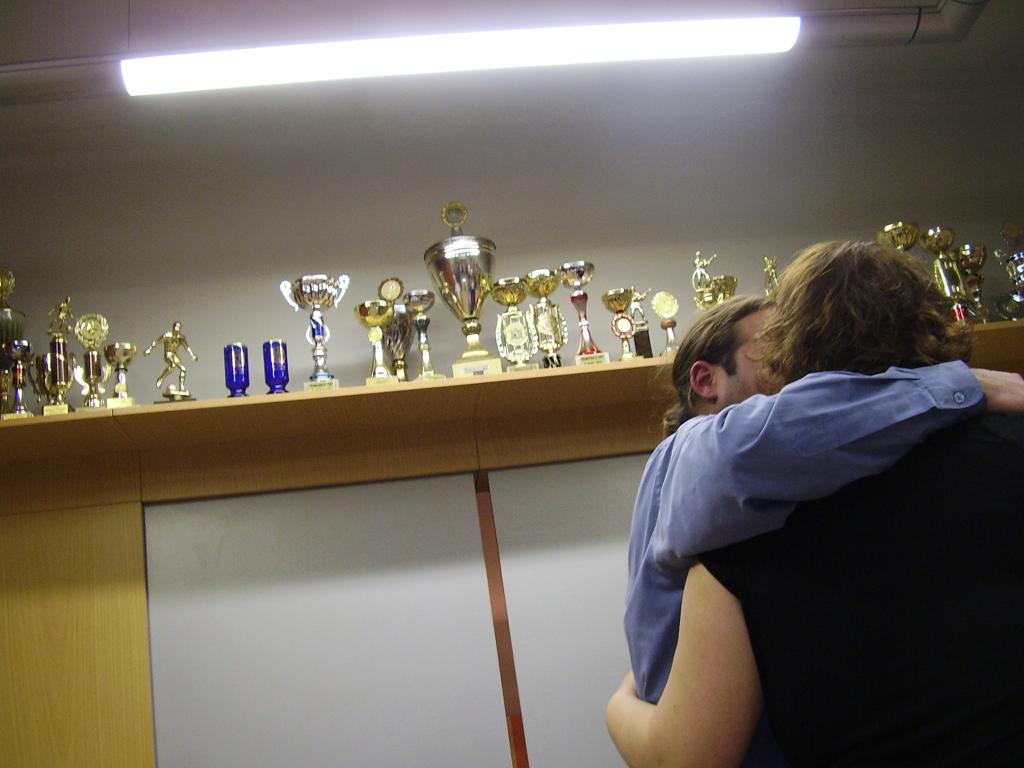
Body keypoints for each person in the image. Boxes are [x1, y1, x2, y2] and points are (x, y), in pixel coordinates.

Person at [610, 240, 1024, 766]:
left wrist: (619, 704)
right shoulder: (707, 470)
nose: (777, 379)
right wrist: (954, 384)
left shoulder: (761, 522)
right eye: (764, 352)